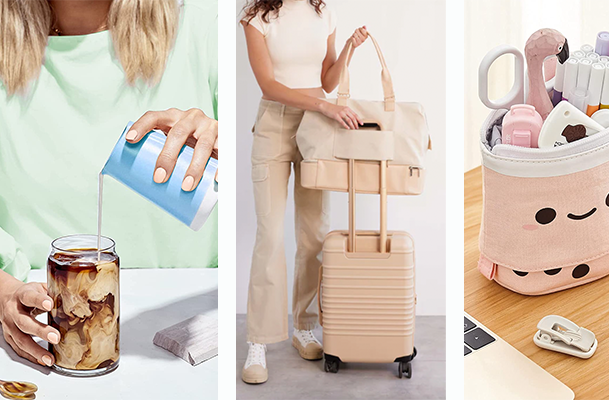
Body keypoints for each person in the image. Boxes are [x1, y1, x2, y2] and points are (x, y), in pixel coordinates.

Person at [0, 0, 217, 368]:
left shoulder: (203, 26)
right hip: (39, 346)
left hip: (190, 352)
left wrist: (225, 146)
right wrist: (3, 292)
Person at [241, 0, 368, 384]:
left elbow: (327, 81)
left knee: (314, 234)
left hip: (316, 127)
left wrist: (347, 48)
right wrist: (324, 107)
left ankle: (304, 326)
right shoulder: (256, 18)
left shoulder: (323, 12)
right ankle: (258, 342)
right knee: (270, 236)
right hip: (274, 126)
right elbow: (269, 85)